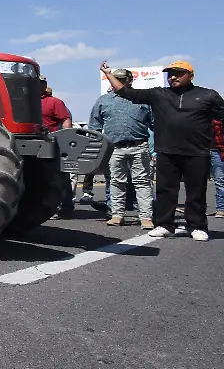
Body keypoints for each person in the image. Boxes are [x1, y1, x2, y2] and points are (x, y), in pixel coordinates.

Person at [101, 60, 224, 242]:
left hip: (197, 152)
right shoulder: (159, 94)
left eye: (178, 73)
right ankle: (165, 225)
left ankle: (197, 226)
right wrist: (109, 74)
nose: (172, 77)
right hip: (167, 152)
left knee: (196, 191)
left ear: (191, 76)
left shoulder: (207, 95)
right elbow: (127, 93)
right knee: (165, 190)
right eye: (170, 74)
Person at [88, 68, 154, 227]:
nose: (117, 82)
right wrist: (94, 148)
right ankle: (117, 215)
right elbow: (95, 127)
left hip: (140, 145)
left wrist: (155, 150)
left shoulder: (142, 99)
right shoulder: (103, 101)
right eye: (115, 78)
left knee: (143, 182)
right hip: (114, 148)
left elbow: (155, 124)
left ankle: (146, 217)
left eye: (122, 79)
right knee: (116, 182)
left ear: (130, 81)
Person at [39, 75, 75, 218]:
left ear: (44, 85)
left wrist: (66, 138)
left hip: (53, 142)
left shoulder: (54, 102)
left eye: (40, 83)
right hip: (35, 142)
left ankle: (66, 206)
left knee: (61, 176)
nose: (37, 85)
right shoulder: (25, 101)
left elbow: (66, 119)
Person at [212, 117, 224, 219]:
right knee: (219, 180)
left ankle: (221, 208)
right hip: (211, 149)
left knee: (219, 180)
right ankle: (221, 208)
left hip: (217, 149)